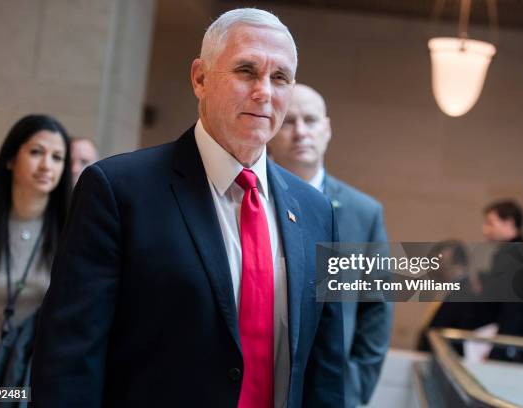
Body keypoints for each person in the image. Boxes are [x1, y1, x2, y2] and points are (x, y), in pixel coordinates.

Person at [32, 9, 344, 408]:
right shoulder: (118, 191)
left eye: (279, 77)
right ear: (200, 78)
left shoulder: (317, 211)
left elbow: (326, 370)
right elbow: (69, 359)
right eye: (246, 71)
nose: (264, 91)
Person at [268, 83, 392, 407]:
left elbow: (375, 307)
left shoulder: (364, 214)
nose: (301, 132)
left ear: (327, 128)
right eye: (289, 122)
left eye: (310, 120)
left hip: (330, 391)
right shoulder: (245, 196)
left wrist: (353, 389)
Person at [0, 114, 71, 386]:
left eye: (57, 157)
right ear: (10, 159)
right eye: (36, 152)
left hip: (29, 369)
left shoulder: (71, 230)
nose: (46, 165)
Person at [480, 199, 523, 365]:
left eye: (490, 223)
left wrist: (498, 351)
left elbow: (513, 308)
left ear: (509, 222)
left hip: (515, 349)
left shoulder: (515, 257)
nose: (485, 229)